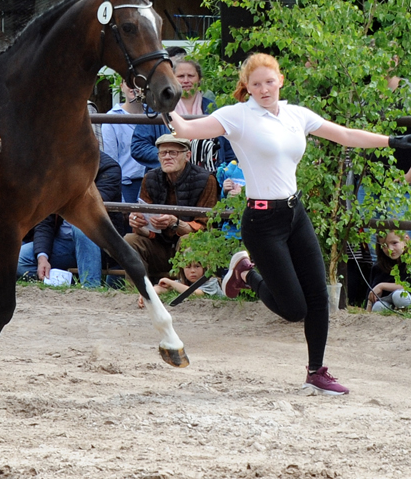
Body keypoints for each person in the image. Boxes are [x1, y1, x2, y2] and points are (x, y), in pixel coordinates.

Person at [170, 52, 411, 395]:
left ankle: (317, 371)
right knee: (294, 309)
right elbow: (188, 129)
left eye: (270, 81)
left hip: (295, 215)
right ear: (248, 88)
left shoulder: (297, 115)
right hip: (262, 221)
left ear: (280, 80)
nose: (264, 89)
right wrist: (166, 108)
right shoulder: (237, 117)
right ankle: (245, 273)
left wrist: (389, 141)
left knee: (317, 297)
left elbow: (343, 134)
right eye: (256, 84)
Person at [17, 151, 124, 288]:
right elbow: (45, 219)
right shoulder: (56, 168)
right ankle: (67, 282)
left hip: (99, 244)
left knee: (81, 224)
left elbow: (90, 209)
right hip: (65, 243)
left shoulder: (109, 168)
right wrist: (42, 256)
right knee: (21, 260)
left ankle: (90, 288)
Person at [124, 133, 219, 286]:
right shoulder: (150, 178)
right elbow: (149, 232)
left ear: (187, 156)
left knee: (189, 240)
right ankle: (137, 291)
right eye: (163, 153)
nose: (167, 157)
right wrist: (139, 224)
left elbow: (206, 228)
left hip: (189, 246)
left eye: (173, 153)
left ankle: (189, 291)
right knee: (130, 240)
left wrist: (176, 224)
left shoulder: (206, 179)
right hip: (160, 248)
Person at [130, 58, 234, 174]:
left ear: (199, 79)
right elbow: (139, 147)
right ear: (171, 78)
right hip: (167, 180)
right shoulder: (158, 109)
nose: (186, 80)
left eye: (190, 76)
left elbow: (230, 151)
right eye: (180, 76)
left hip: (210, 180)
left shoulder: (213, 108)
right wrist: (172, 156)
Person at [102, 82, 145, 203]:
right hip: (127, 185)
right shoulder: (111, 119)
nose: (134, 86)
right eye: (129, 82)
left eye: (138, 81)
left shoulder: (154, 114)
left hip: (153, 183)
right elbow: (111, 160)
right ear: (121, 86)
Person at [138, 255, 225, 307]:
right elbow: (163, 289)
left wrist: (171, 283)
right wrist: (147, 293)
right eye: (188, 267)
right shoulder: (181, 283)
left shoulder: (211, 282)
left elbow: (198, 293)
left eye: (197, 266)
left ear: (205, 267)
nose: (192, 271)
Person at [368, 231, 411, 312]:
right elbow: (371, 295)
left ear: (406, 240)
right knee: (378, 307)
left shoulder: (409, 263)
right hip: (387, 303)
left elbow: (408, 286)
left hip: (406, 300)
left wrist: (382, 286)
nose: (390, 249)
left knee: (399, 296)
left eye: (394, 243)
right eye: (384, 245)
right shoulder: (378, 266)